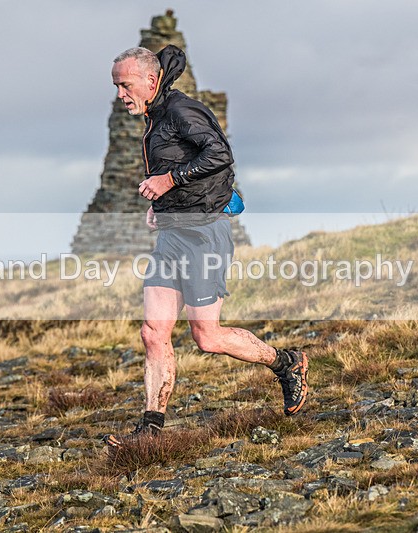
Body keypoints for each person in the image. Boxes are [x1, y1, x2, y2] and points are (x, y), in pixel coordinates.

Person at [103, 45, 308, 448]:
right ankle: (150, 431)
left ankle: (287, 363)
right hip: (172, 236)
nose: (120, 94)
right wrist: (162, 206)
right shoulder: (155, 115)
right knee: (153, 332)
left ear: (149, 80)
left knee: (207, 337)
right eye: (116, 87)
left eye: (124, 85)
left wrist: (168, 183)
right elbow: (179, 167)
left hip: (205, 236)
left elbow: (220, 155)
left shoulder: (181, 111)